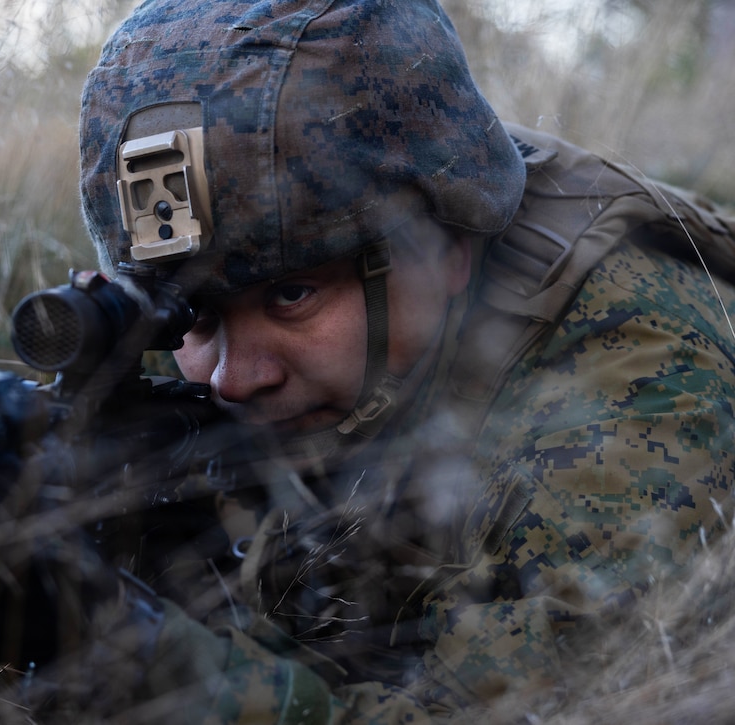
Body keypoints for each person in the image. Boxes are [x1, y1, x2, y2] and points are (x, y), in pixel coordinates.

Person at [64, 0, 735, 722]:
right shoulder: (331, 364)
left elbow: (539, 704)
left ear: (446, 246)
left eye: (291, 294)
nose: (234, 376)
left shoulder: (634, 385)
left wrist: (160, 665)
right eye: (192, 315)